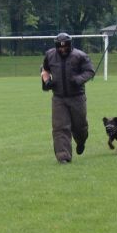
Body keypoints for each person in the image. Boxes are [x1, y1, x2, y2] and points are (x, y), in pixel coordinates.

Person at [41, 33, 95, 163]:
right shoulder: (49, 55)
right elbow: (44, 70)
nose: (62, 49)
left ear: (70, 45)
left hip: (77, 98)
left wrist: (78, 79)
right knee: (60, 127)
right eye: (60, 47)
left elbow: (90, 71)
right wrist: (47, 81)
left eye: (65, 46)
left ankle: (81, 141)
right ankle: (63, 156)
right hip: (59, 98)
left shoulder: (80, 56)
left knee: (80, 127)